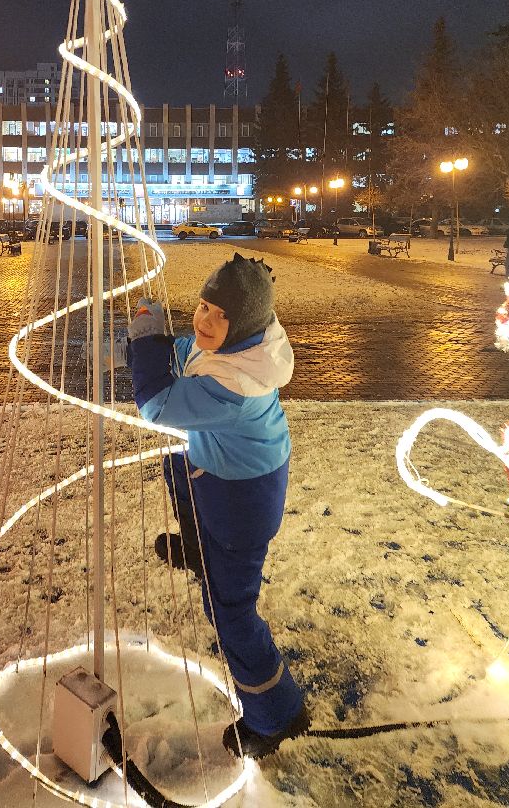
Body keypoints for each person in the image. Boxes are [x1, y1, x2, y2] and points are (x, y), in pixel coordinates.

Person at [126, 253, 308, 759]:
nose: (204, 320)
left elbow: (157, 406)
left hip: (242, 499)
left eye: (220, 315)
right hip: (223, 471)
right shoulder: (242, 345)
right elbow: (190, 352)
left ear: (243, 324)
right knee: (180, 473)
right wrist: (159, 344)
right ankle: (196, 546)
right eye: (204, 305)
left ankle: (277, 716)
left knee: (230, 612)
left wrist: (146, 343)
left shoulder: (234, 385)